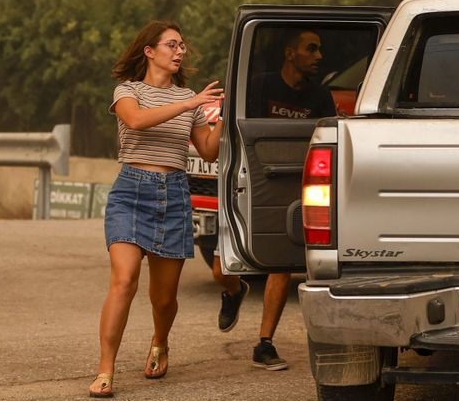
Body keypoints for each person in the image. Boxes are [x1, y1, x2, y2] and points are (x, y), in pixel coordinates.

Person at [87, 21, 224, 398]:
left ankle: (160, 342)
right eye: (172, 45)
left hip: (174, 194)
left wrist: (221, 118)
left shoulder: (191, 99)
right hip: (131, 191)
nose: (180, 51)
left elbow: (208, 151)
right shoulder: (128, 91)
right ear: (149, 51)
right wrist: (189, 103)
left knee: (163, 298)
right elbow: (135, 120)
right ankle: (105, 370)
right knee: (124, 280)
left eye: (182, 46)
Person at [216, 28, 334, 372]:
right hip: (254, 179)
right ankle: (234, 290)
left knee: (280, 263)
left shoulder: (320, 95)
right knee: (218, 267)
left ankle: (264, 344)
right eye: (311, 49)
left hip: (293, 183)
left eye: (319, 49)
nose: (319, 56)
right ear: (289, 54)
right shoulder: (261, 86)